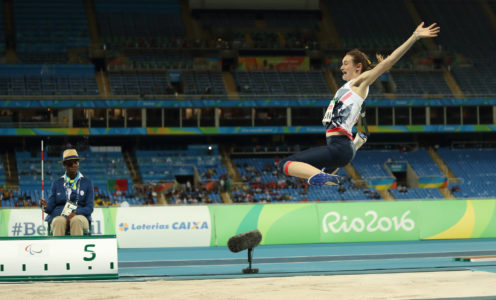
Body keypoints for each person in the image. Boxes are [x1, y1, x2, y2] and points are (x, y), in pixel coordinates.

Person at [279, 22, 440, 186]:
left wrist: (414, 36)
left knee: (285, 164)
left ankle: (327, 174)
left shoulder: (359, 83)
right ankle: (344, 157)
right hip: (342, 150)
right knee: (324, 174)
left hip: (339, 147)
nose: (341, 66)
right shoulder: (347, 89)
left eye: (345, 63)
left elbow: (388, 62)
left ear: (358, 67)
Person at [40, 149, 94, 235]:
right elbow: (49, 209)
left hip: (80, 216)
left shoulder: (87, 183)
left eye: (76, 162)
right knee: (59, 221)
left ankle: (77, 248)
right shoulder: (57, 183)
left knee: (76, 220)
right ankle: (58, 248)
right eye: (69, 163)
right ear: (64, 165)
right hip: (60, 216)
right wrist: (44, 206)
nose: (73, 165)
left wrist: (75, 213)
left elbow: (90, 208)